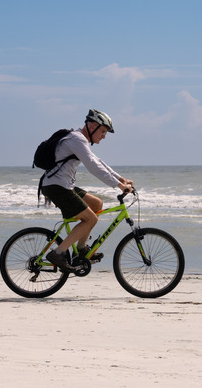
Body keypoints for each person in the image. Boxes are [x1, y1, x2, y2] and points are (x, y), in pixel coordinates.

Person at [40, 109, 133, 271]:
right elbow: (93, 167)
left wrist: (120, 179)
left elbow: (98, 161)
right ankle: (58, 252)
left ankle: (81, 249)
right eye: (103, 131)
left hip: (62, 185)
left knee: (96, 204)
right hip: (56, 186)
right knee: (91, 219)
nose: (104, 136)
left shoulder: (80, 140)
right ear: (92, 126)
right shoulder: (77, 139)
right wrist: (119, 186)